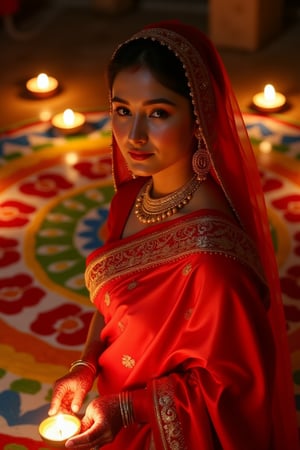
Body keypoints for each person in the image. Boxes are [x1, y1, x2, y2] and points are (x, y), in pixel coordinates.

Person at [48, 20, 299, 449]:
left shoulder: (212, 257)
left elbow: (234, 389)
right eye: (123, 110)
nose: (134, 136)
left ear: (200, 117)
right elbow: (114, 308)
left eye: (158, 113)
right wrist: (86, 366)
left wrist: (129, 409)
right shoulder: (128, 199)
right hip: (114, 410)